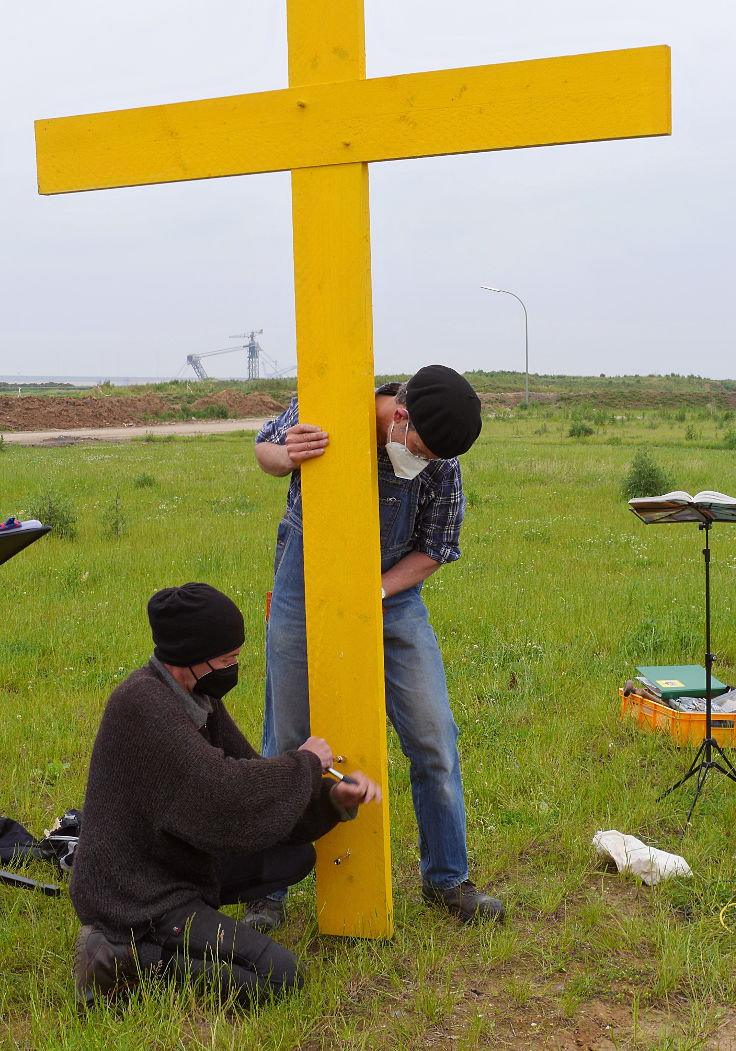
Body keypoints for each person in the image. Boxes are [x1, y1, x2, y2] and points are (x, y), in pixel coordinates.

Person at [252, 364, 504, 931]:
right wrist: (286, 453)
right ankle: (268, 891)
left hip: (392, 595)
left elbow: (437, 547)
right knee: (286, 738)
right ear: (401, 413)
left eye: (437, 456)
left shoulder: (440, 462)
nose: (425, 459)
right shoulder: (333, 402)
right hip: (303, 586)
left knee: (434, 736)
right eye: (419, 446)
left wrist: (374, 591)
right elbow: (264, 450)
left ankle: (447, 879)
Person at [69, 582, 381, 1008]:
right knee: (280, 979)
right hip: (138, 895)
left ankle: (172, 937)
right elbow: (223, 793)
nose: (234, 666)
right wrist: (305, 762)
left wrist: (332, 799)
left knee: (295, 854)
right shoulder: (142, 705)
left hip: (175, 861)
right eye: (227, 658)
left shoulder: (197, 697)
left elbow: (251, 784)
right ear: (190, 656)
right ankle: (129, 957)